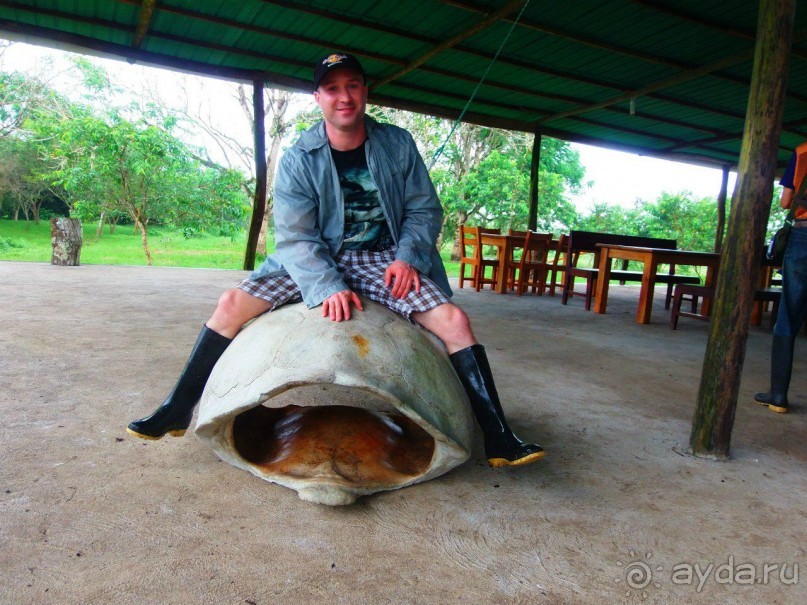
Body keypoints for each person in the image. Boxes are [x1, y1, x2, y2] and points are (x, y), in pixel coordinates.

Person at [127, 52, 544, 467]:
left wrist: (407, 259)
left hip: (384, 257)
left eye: (352, 86)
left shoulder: (397, 143)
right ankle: (177, 408)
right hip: (316, 257)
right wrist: (327, 284)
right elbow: (295, 235)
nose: (343, 97)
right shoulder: (298, 157)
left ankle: (499, 436)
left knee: (454, 322)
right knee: (230, 305)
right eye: (332, 89)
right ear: (317, 97)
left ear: (364, 91)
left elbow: (424, 210)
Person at [754, 143, 807, 414]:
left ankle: (778, 396)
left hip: (803, 236)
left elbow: (787, 201)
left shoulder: (802, 153)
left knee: (788, 315)